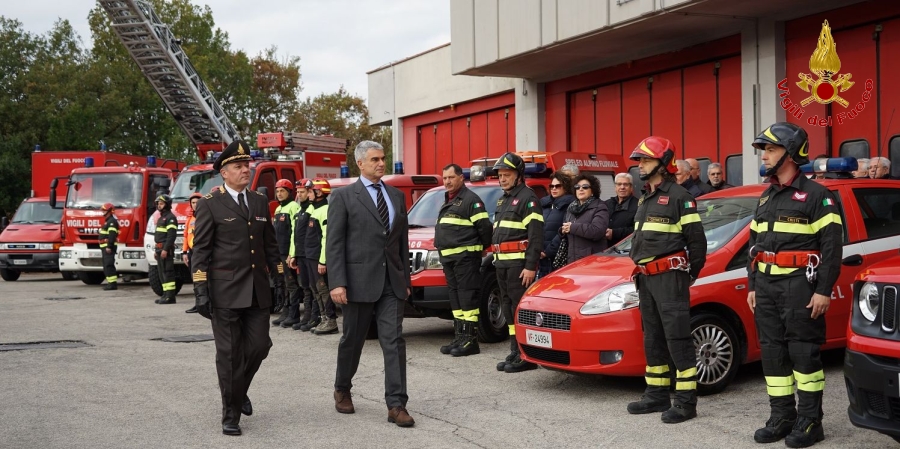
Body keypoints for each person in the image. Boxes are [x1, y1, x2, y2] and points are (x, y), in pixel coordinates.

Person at [746, 123, 842, 447]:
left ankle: (811, 421)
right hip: (768, 287)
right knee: (773, 355)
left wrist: (824, 290)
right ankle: (782, 416)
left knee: (804, 355)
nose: (766, 156)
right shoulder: (765, 197)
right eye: (764, 150)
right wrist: (753, 286)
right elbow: (754, 247)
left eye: (770, 150)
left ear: (789, 153)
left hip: (801, 286)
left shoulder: (818, 196)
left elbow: (832, 248)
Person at [191, 139, 285, 436]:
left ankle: (238, 388)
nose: (245, 170)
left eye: (246, 165)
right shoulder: (210, 204)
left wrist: (280, 279)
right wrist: (201, 291)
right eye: (238, 166)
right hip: (225, 292)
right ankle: (230, 414)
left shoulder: (258, 201)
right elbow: (200, 252)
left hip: (257, 290)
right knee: (229, 354)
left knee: (260, 345)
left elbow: (270, 244)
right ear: (224, 172)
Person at [327, 140, 414, 427]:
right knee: (352, 341)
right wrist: (337, 282)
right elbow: (335, 243)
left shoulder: (395, 196)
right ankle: (342, 388)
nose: (380, 163)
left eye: (383, 158)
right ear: (360, 163)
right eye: (374, 159)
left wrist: (406, 279)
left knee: (394, 341)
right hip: (357, 282)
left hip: (392, 282)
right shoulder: (343, 197)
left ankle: (396, 404)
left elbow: (400, 241)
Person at [626, 136, 706, 424]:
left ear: (664, 163)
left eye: (646, 160)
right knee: (653, 338)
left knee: (678, 339)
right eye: (640, 161)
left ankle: (686, 402)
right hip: (646, 280)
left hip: (670, 278)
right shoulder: (645, 197)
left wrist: (687, 277)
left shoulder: (680, 197)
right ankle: (657, 394)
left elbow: (697, 244)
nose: (641, 166)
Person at [491, 152, 544, 374]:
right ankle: (515, 350)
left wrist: (530, 266)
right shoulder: (504, 199)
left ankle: (525, 355)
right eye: (500, 175)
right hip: (502, 264)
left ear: (519, 175)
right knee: (508, 308)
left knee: (519, 308)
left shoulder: (528, 198)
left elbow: (536, 236)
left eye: (507, 175)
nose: (502, 179)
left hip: (519, 266)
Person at [435, 163, 492, 357]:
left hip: (466, 259)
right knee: (456, 297)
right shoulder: (449, 199)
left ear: (461, 178)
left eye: (451, 177)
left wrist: (481, 248)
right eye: (444, 178)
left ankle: (470, 341)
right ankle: (460, 337)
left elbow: (485, 228)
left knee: (467, 297)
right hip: (450, 259)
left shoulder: (471, 200)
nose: (447, 182)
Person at [308, 178, 339, 335]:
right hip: (310, 256)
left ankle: (331, 320)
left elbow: (326, 238)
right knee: (316, 289)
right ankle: (323, 318)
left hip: (318, 258)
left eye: (310, 191)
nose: (308, 194)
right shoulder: (314, 209)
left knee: (323, 289)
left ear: (319, 192)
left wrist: (322, 260)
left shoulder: (325, 210)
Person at [271, 179, 302, 328]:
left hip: (287, 253)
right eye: (277, 191)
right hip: (279, 254)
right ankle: (285, 311)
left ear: (289, 192)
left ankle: (294, 314)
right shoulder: (278, 209)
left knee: (291, 284)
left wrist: (292, 254)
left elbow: (294, 233)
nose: (279, 194)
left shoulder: (293, 207)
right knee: (283, 283)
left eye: (282, 191)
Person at [288, 179, 318, 330]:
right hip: (301, 254)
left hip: (311, 254)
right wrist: (293, 254)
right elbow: (295, 234)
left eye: (302, 192)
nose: (299, 195)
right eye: (297, 192)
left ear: (309, 192)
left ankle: (315, 317)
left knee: (315, 287)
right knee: (305, 287)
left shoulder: (312, 209)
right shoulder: (300, 210)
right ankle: (307, 317)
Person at [558, 174, 609, 263]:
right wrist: (562, 231)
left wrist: (572, 228)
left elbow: (597, 231)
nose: (580, 189)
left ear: (592, 190)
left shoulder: (600, 207)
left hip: (592, 261)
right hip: (572, 260)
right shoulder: (571, 208)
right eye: (577, 187)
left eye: (585, 187)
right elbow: (567, 228)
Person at [539, 172, 574, 277]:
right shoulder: (544, 204)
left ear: (566, 187)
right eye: (551, 186)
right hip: (540, 256)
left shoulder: (570, 206)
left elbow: (563, 232)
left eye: (558, 186)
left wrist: (548, 252)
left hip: (558, 257)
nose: (554, 189)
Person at [153, 194, 178, 304]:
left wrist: (165, 249)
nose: (159, 205)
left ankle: (170, 297)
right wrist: (156, 250)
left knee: (168, 272)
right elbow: (159, 236)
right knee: (161, 273)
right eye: (158, 203)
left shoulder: (170, 218)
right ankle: (165, 294)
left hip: (165, 250)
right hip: (159, 249)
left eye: (161, 203)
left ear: (167, 205)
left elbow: (171, 236)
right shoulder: (161, 218)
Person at [605, 173, 639, 247]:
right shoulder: (606, 204)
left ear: (631, 187)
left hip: (625, 250)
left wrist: (614, 233)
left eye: (626, 184)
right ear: (615, 187)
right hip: (605, 250)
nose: (622, 187)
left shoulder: (639, 205)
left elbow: (638, 230)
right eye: (619, 184)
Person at [183, 193, 201, 313]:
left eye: (197, 202)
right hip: (191, 252)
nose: (195, 205)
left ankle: (204, 303)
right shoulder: (189, 218)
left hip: (201, 252)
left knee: (201, 278)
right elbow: (185, 236)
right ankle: (197, 303)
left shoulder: (204, 216)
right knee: (194, 278)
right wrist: (184, 252)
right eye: (193, 203)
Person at [98, 202, 119, 291]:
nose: (103, 212)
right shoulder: (108, 221)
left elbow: (112, 236)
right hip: (105, 247)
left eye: (104, 210)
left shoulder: (112, 222)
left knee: (109, 265)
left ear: (110, 211)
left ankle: (112, 284)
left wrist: (109, 246)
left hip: (108, 247)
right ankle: (110, 282)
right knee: (106, 265)